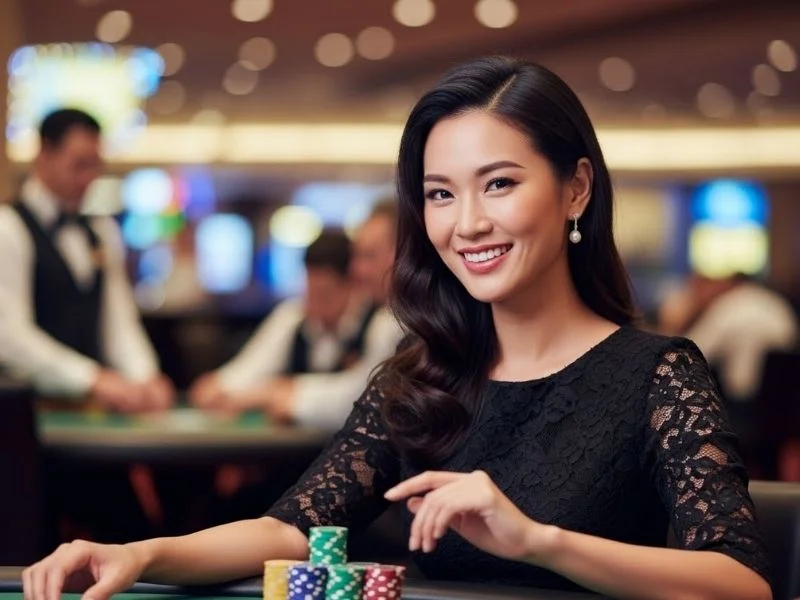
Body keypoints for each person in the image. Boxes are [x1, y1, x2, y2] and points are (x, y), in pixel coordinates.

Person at [23, 58, 771, 600]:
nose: (467, 223)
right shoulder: (423, 374)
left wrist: (539, 542)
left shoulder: (660, 373)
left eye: (500, 183)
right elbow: (288, 531)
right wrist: (140, 552)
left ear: (575, 188)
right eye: (440, 194)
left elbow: (739, 582)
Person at [0, 108, 174, 411]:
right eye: (79, 165)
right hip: (23, 411)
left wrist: (145, 377)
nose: (89, 178)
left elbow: (117, 321)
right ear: (44, 155)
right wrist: (92, 378)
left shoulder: (102, 231)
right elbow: (10, 336)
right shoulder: (8, 228)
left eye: (96, 166)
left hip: (90, 412)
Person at [190, 208, 403, 430]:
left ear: (352, 286)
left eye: (324, 294)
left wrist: (282, 392)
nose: (313, 302)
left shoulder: (383, 321)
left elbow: (363, 395)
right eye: (309, 290)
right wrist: (222, 388)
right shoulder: (294, 316)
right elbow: (243, 373)